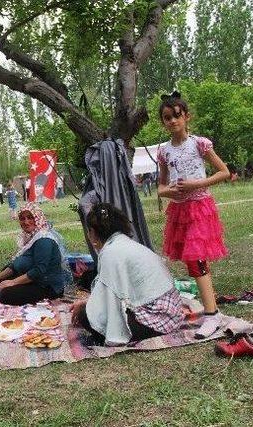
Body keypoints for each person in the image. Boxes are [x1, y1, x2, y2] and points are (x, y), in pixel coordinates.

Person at [156, 91, 229, 339]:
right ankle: (212, 312)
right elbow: (161, 187)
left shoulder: (199, 144)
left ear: (187, 117)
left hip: (199, 207)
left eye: (178, 116)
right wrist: (171, 192)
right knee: (192, 261)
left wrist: (197, 184)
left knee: (197, 259)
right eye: (168, 118)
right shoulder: (164, 152)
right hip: (179, 211)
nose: (173, 121)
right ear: (163, 122)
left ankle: (212, 314)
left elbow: (223, 172)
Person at [70, 203, 184, 346]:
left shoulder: (111, 253)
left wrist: (87, 308)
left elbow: (110, 299)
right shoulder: (124, 243)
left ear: (92, 232)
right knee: (90, 309)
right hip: (172, 313)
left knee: (86, 315)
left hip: (158, 319)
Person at [0, 202, 72, 305]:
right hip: (32, 280)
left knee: (6, 294)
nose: (26, 222)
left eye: (30, 218)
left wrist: (12, 282)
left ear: (37, 218)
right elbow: (14, 264)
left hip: (46, 286)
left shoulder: (44, 239)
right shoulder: (29, 237)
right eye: (22, 219)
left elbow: (39, 271)